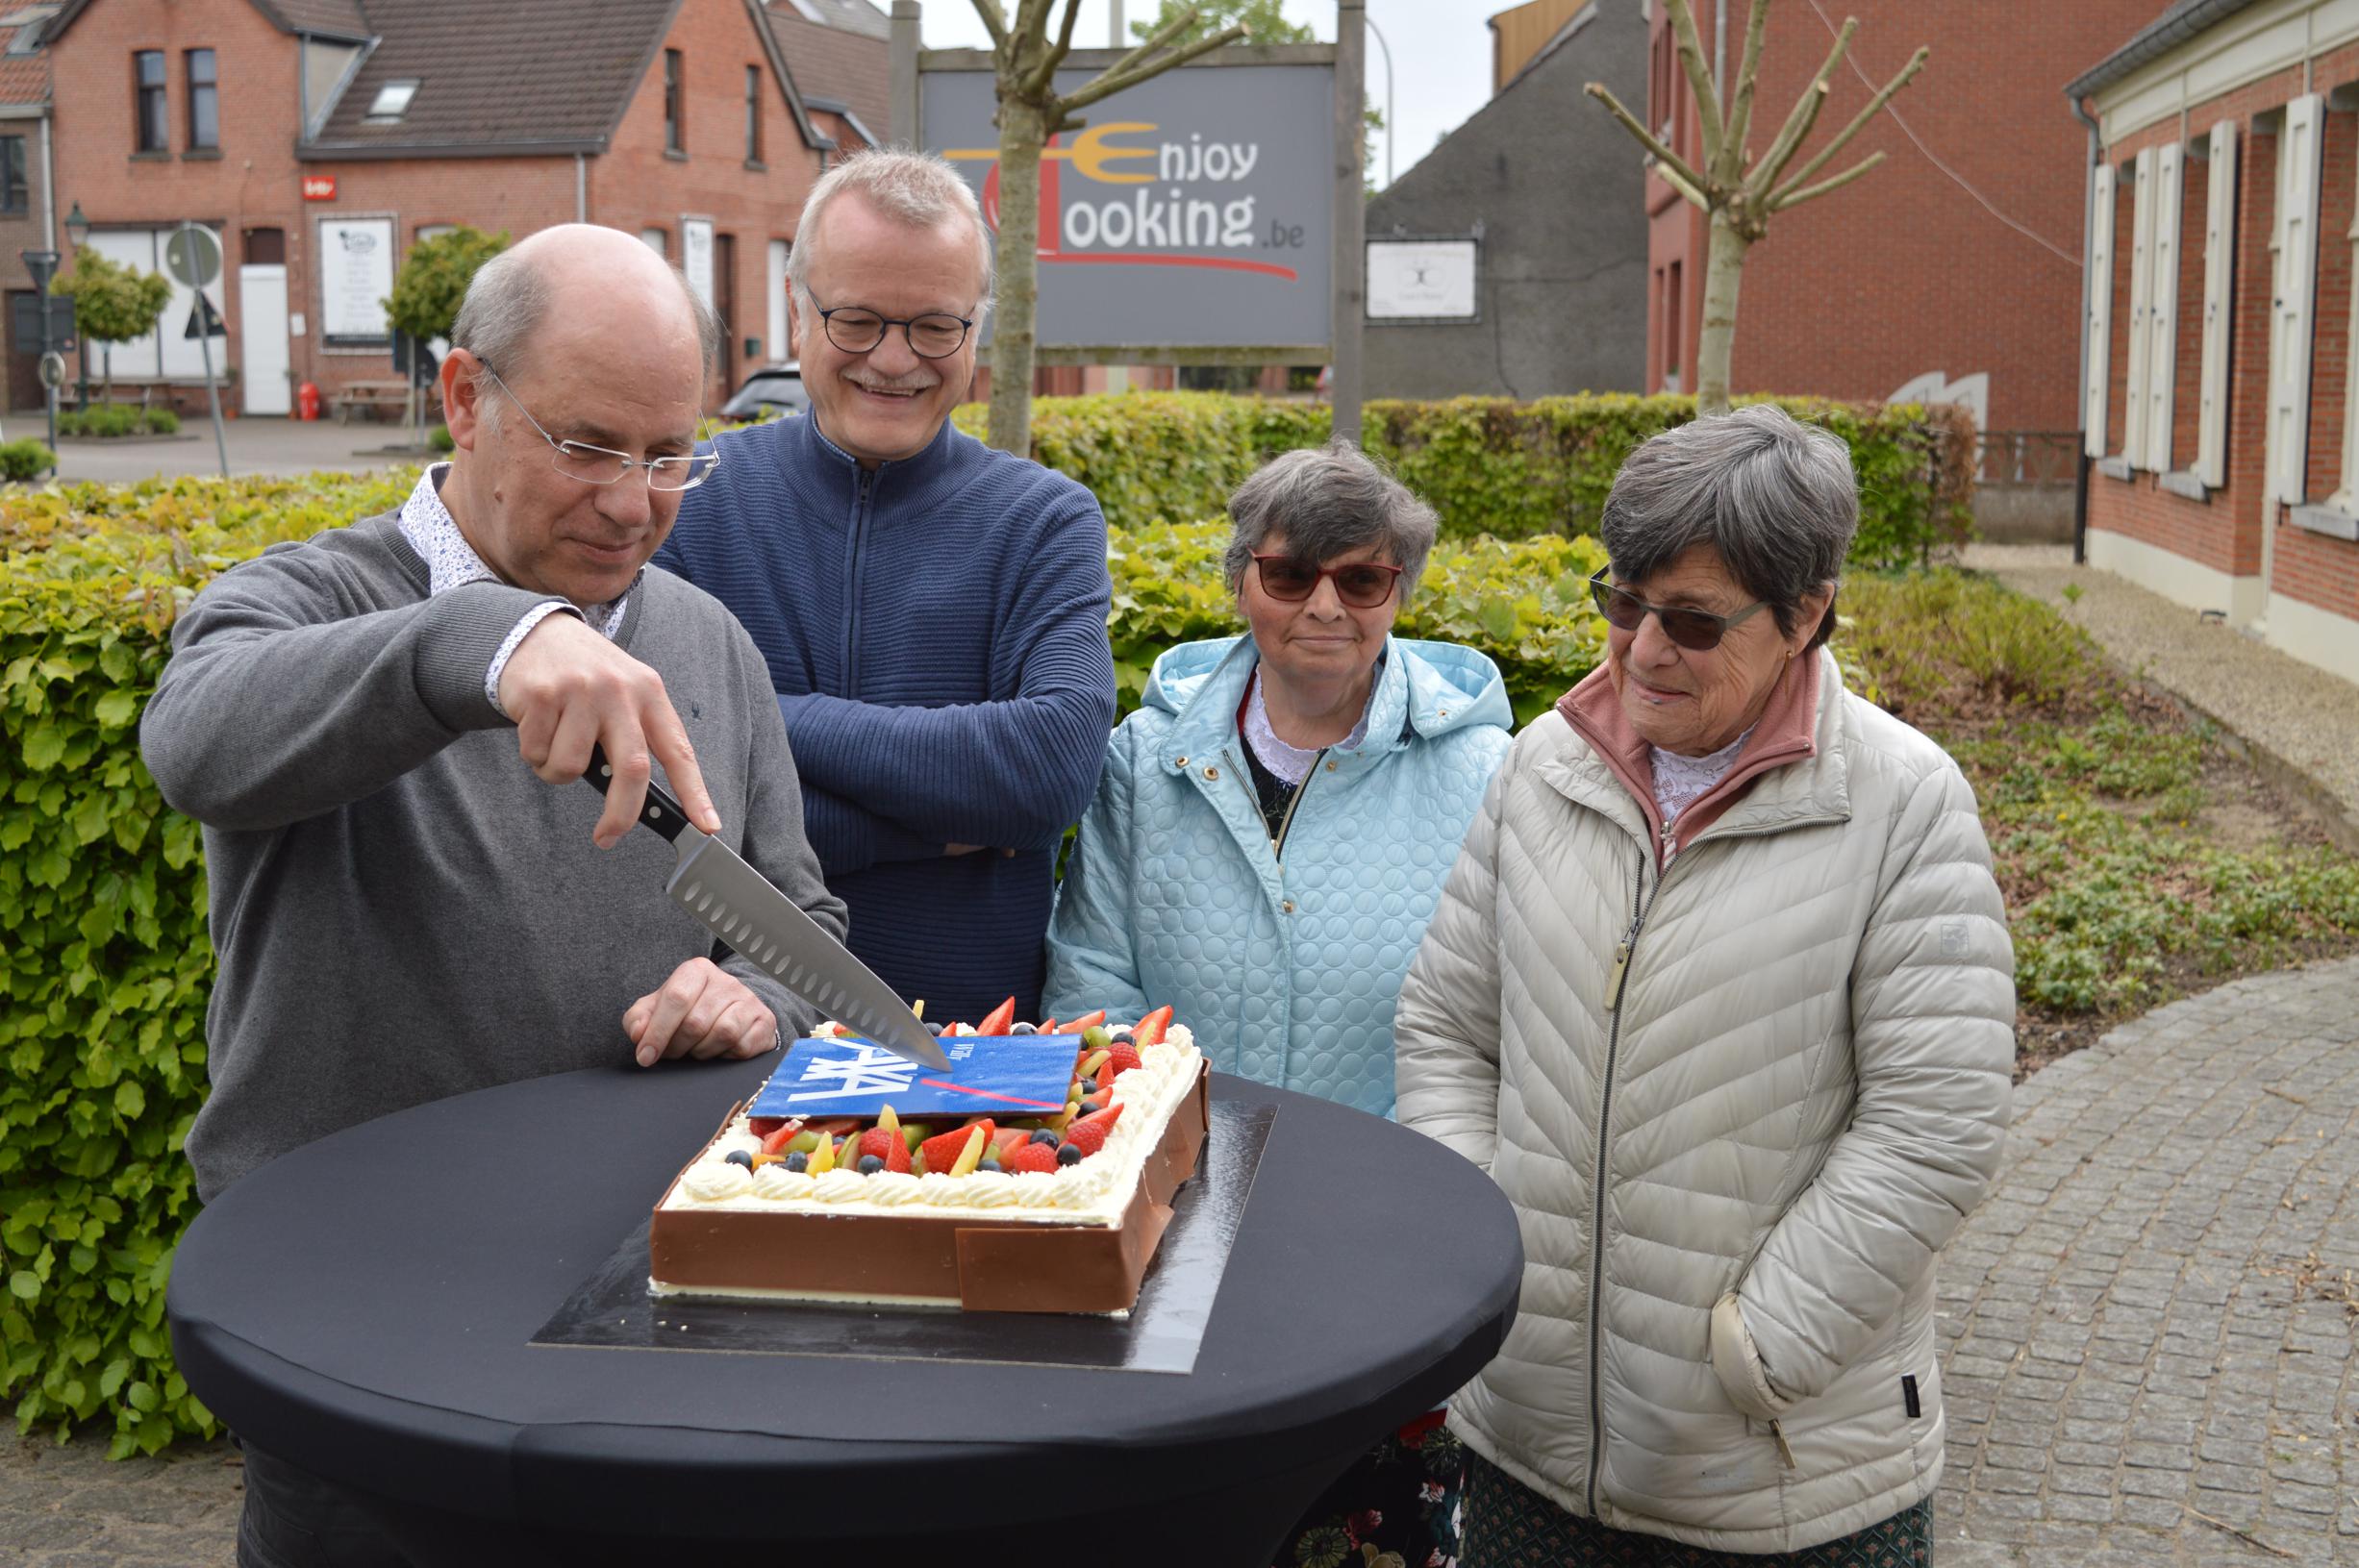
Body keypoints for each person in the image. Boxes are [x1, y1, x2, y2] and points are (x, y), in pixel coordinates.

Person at [139, 224, 846, 1568]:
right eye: (588, 446)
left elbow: (807, 934)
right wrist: (490, 640)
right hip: (357, 1340)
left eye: (668, 455)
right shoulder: (307, 603)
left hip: (638, 1329)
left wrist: (751, 991)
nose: (634, 504)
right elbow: (196, 744)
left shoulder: (710, 644)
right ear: (463, 396)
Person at [1393, 404, 2016, 1564]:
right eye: (1621, 603)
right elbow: (1445, 1023)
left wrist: (1758, 1352)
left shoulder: (1904, 802)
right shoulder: (1541, 765)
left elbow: (1938, 1119)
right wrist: (1490, 1250)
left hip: (1778, 1473)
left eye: (1688, 619)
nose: (1638, 650)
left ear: (1805, 612)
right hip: (1527, 1447)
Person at [1044, 441, 1513, 1566]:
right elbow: (1090, 982)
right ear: (1239, 579)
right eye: (1289, 572)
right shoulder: (1143, 762)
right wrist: (1149, 1169)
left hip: (1389, 1233)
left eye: (1364, 579)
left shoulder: (1484, 770)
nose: (1325, 606)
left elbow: (1506, 1015)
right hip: (1172, 1229)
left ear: (1400, 590)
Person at [657, 148, 1115, 1028]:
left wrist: (755, 717)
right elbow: (667, 804)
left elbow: (1053, 767)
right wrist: (937, 831)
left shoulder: (1044, 521)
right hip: (724, 1041)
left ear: (976, 328)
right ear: (796, 311)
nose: (895, 359)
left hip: (968, 1066)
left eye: (935, 326)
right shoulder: (686, 498)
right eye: (857, 320)